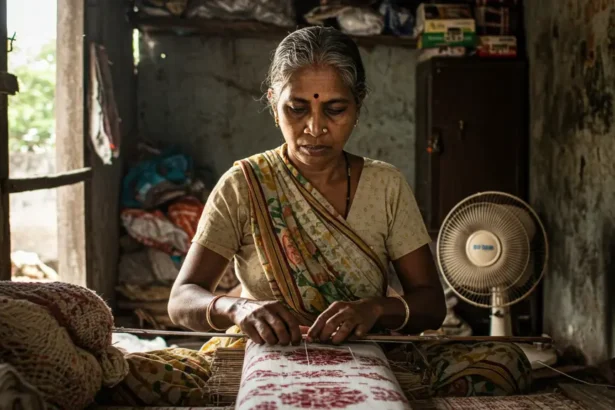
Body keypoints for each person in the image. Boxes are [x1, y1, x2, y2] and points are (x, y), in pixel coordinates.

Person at [105, 26, 531, 407]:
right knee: (129, 373)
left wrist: (373, 311)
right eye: (297, 109)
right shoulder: (245, 184)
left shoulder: (385, 185)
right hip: (260, 354)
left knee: (505, 360)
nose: (314, 127)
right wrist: (239, 309)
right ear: (273, 103)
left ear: (358, 106)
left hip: (373, 349)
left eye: (335, 109)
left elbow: (430, 304)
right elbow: (182, 300)